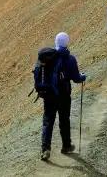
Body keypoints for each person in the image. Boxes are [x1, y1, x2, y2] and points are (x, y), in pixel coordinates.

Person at [40, 32, 86, 161]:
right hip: (64, 95)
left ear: (55, 41)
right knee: (64, 120)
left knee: (48, 121)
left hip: (49, 95)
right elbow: (76, 78)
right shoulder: (70, 58)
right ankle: (66, 146)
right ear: (67, 43)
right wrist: (83, 76)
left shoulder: (47, 58)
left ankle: (45, 149)